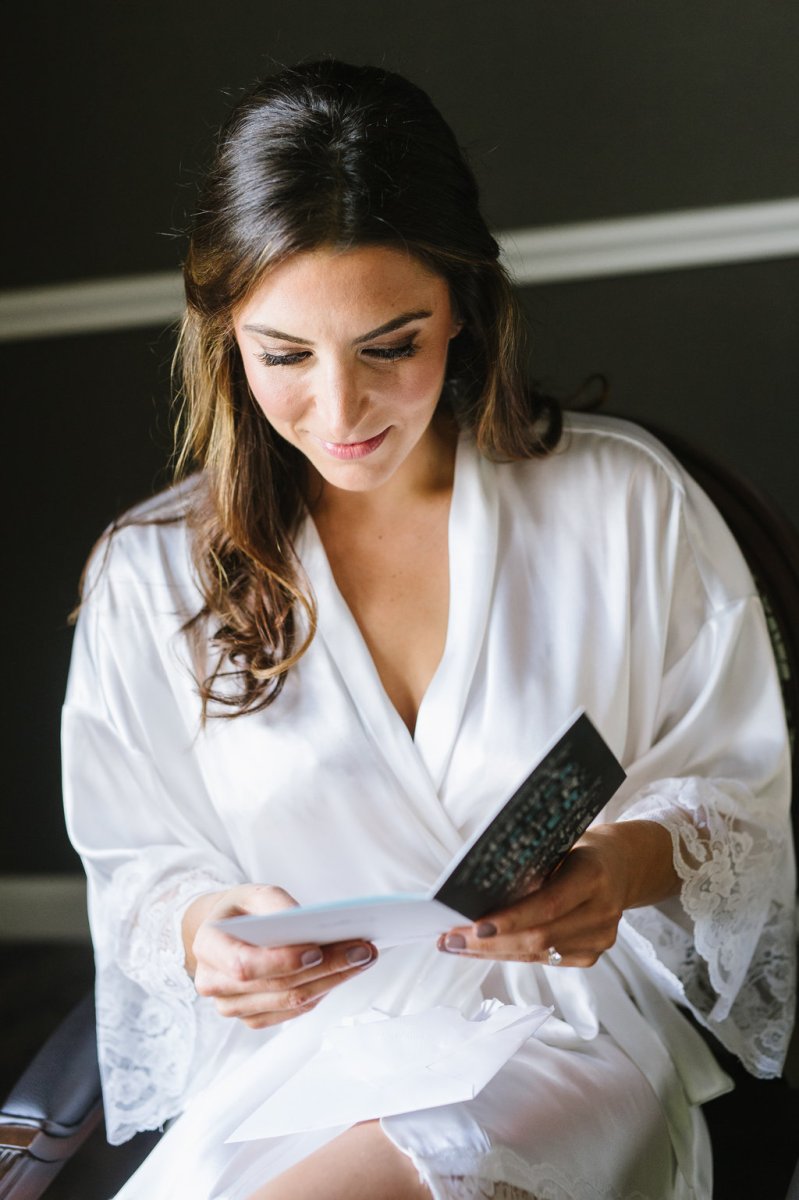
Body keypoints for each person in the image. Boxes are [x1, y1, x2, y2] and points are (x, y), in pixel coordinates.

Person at [63, 59, 795, 1200]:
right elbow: (141, 863)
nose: (341, 413)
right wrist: (205, 932)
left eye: (390, 345)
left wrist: (616, 866)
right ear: (221, 339)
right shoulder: (149, 577)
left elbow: (739, 797)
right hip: (293, 1062)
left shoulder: (622, 504)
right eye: (284, 356)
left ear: (463, 304)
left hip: (562, 1033)